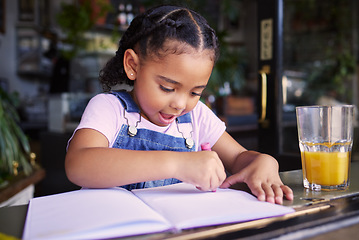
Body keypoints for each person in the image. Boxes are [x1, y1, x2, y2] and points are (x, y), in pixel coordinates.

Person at [65, 5, 293, 204]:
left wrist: (265, 162)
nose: (180, 104)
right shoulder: (110, 109)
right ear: (132, 65)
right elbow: (78, 164)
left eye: (195, 92)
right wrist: (176, 164)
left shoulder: (197, 118)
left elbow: (239, 158)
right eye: (167, 88)